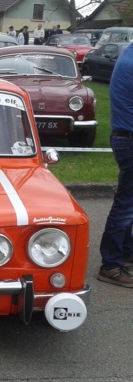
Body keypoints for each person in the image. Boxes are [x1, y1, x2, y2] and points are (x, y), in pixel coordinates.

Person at [98, 44, 133, 287]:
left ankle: (126, 251)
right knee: (126, 204)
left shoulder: (128, 54)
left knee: (130, 201)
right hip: (130, 138)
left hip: (124, 136)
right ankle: (110, 264)